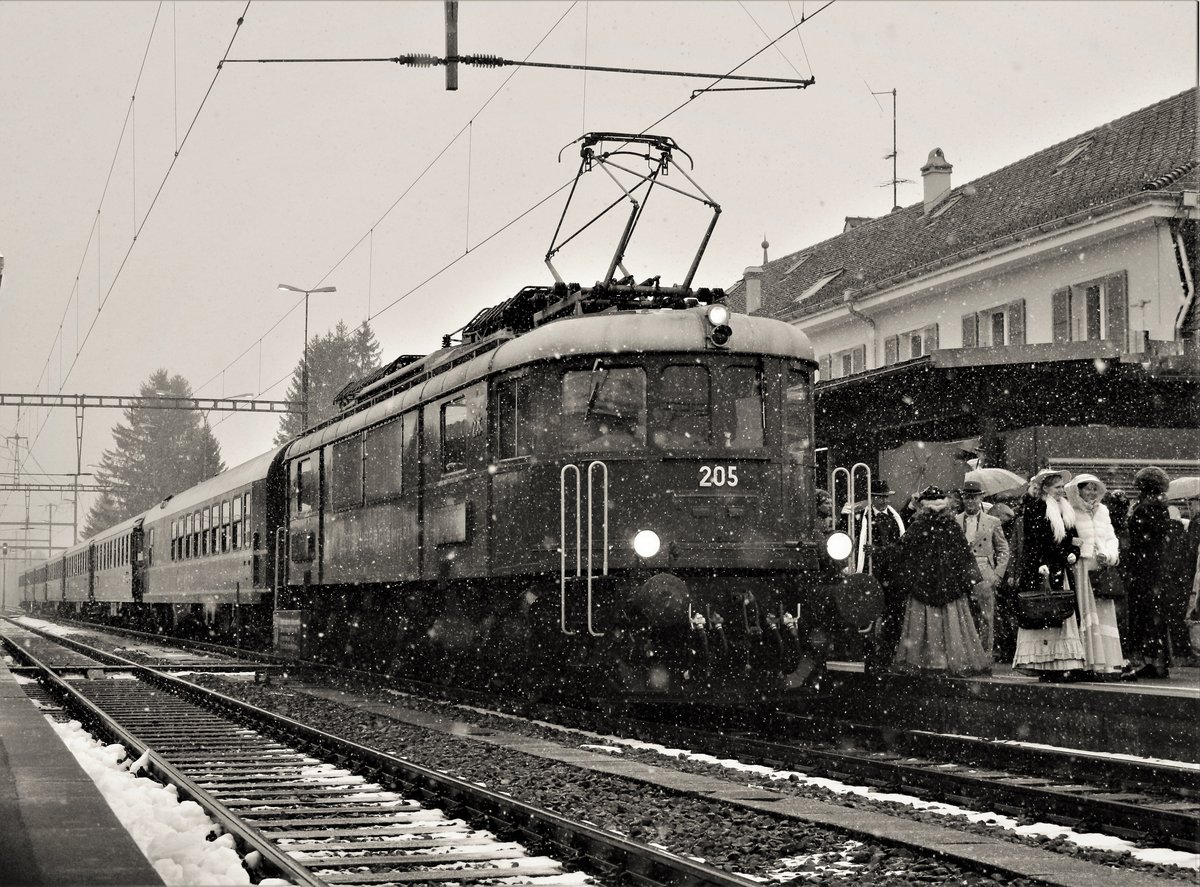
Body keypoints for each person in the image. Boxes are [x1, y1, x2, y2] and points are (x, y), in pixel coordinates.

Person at [891, 486, 990, 675]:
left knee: (922, 626)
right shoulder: (951, 525)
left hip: (924, 583)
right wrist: (970, 580)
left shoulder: (919, 526)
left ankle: (928, 661)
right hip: (949, 584)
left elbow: (902, 550)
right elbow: (964, 555)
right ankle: (952, 660)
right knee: (953, 625)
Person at [1012, 468, 1086, 681]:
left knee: (1060, 615)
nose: (1061, 490)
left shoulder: (1066, 509)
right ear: (1045, 488)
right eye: (1057, 487)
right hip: (1042, 569)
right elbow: (1034, 542)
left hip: (1060, 568)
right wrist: (1041, 563)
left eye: (1062, 487)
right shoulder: (1036, 508)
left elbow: (1073, 537)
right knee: (1045, 615)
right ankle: (1046, 664)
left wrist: (1074, 552)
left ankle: (1062, 664)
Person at [1063, 474, 1125, 678]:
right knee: (1085, 613)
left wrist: (1108, 554)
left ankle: (1105, 663)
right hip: (1081, 566)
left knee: (1103, 612)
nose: (1091, 493)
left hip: (1101, 566)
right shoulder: (1070, 509)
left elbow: (1110, 537)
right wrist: (1078, 548)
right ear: (1077, 490)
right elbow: (1067, 538)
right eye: (1087, 488)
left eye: (1094, 488)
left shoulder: (1103, 510)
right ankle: (1087, 661)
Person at [1126, 466, 1173, 679]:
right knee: (1156, 614)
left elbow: (1136, 539)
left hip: (1143, 568)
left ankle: (1149, 660)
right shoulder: (1161, 507)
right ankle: (1159, 660)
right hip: (1156, 567)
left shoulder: (1144, 508)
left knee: (1144, 614)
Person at [853, 478, 906, 668]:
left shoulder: (896, 518)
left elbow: (901, 546)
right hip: (872, 572)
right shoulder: (861, 518)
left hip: (892, 574)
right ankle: (870, 654)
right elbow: (855, 543)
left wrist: (879, 551)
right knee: (870, 612)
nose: (884, 502)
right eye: (879, 497)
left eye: (885, 497)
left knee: (892, 615)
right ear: (872, 498)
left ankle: (887, 653)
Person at [955, 480, 1010, 659]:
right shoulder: (955, 521)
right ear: (963, 499)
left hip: (984, 573)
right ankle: (966, 653)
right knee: (964, 616)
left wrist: (997, 575)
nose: (970, 501)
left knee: (986, 617)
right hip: (962, 574)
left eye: (973, 498)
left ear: (980, 498)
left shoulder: (992, 521)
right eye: (967, 498)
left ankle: (985, 654)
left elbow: (1003, 550)